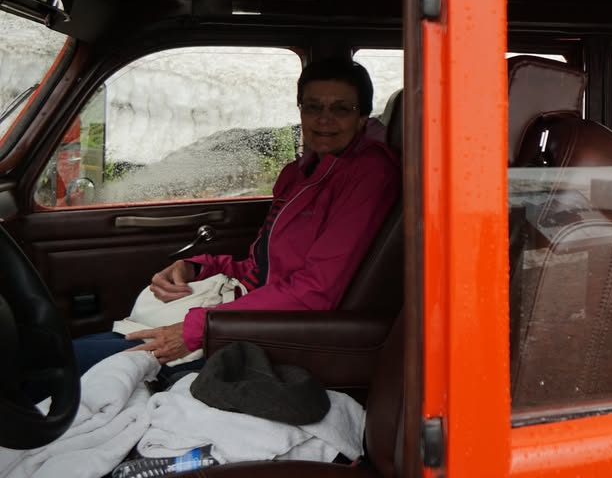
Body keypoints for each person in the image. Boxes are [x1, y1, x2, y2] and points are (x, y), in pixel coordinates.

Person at [73, 57, 402, 376]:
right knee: (75, 350)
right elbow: (261, 268)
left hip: (281, 336)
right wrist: (198, 266)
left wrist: (200, 328)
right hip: (248, 313)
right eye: (313, 106)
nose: (324, 119)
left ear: (362, 118)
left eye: (341, 109)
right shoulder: (301, 172)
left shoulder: (369, 174)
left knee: (67, 363)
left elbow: (315, 291)